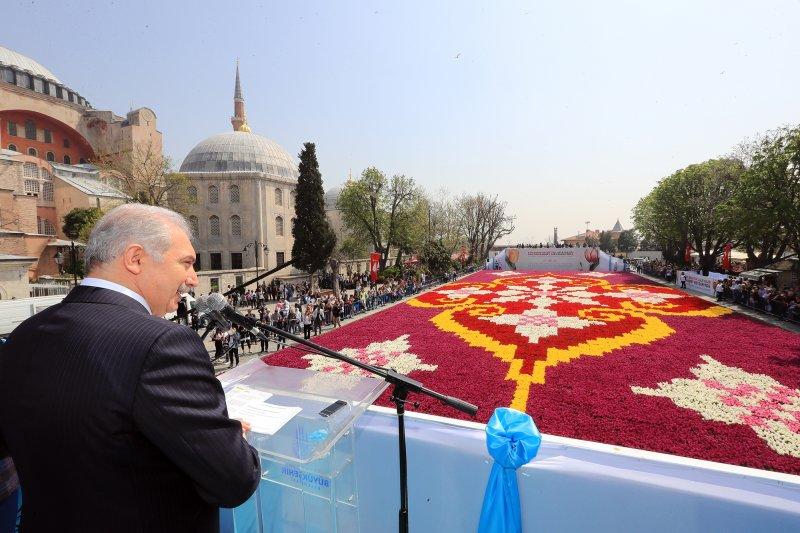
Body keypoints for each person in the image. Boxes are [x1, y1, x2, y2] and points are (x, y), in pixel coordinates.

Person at [0, 204, 260, 532]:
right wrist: (228, 438)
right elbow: (233, 481)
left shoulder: (24, 335)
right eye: (187, 263)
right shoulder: (163, 344)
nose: (193, 279)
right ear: (135, 258)